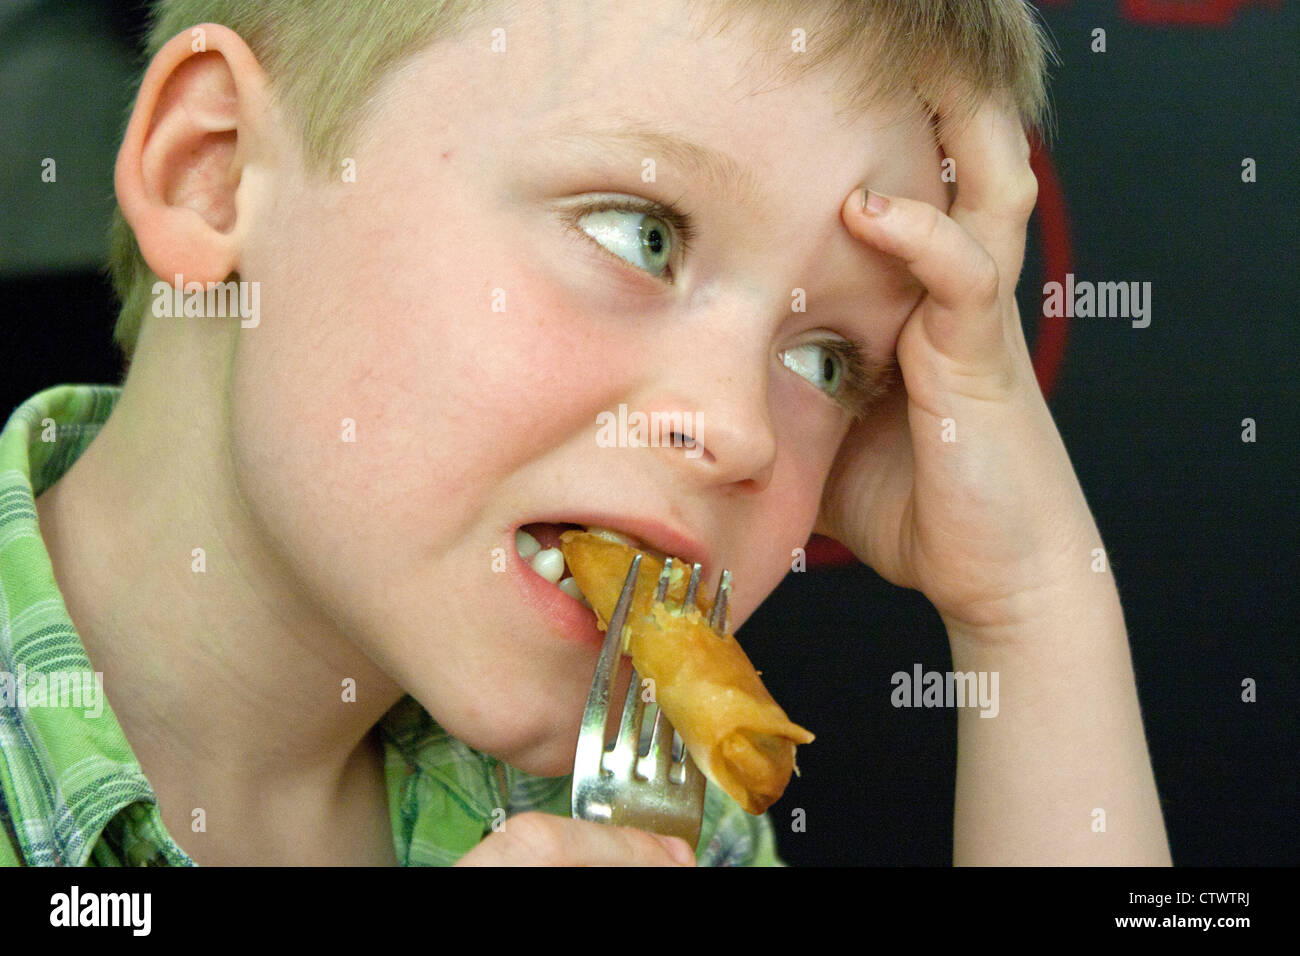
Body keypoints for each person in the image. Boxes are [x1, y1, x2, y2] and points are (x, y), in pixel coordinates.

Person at [0, 0, 1171, 865]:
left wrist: (1026, 603)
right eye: (640, 234)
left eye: (827, 361)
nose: (737, 431)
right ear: (214, 173)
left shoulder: (649, 810)